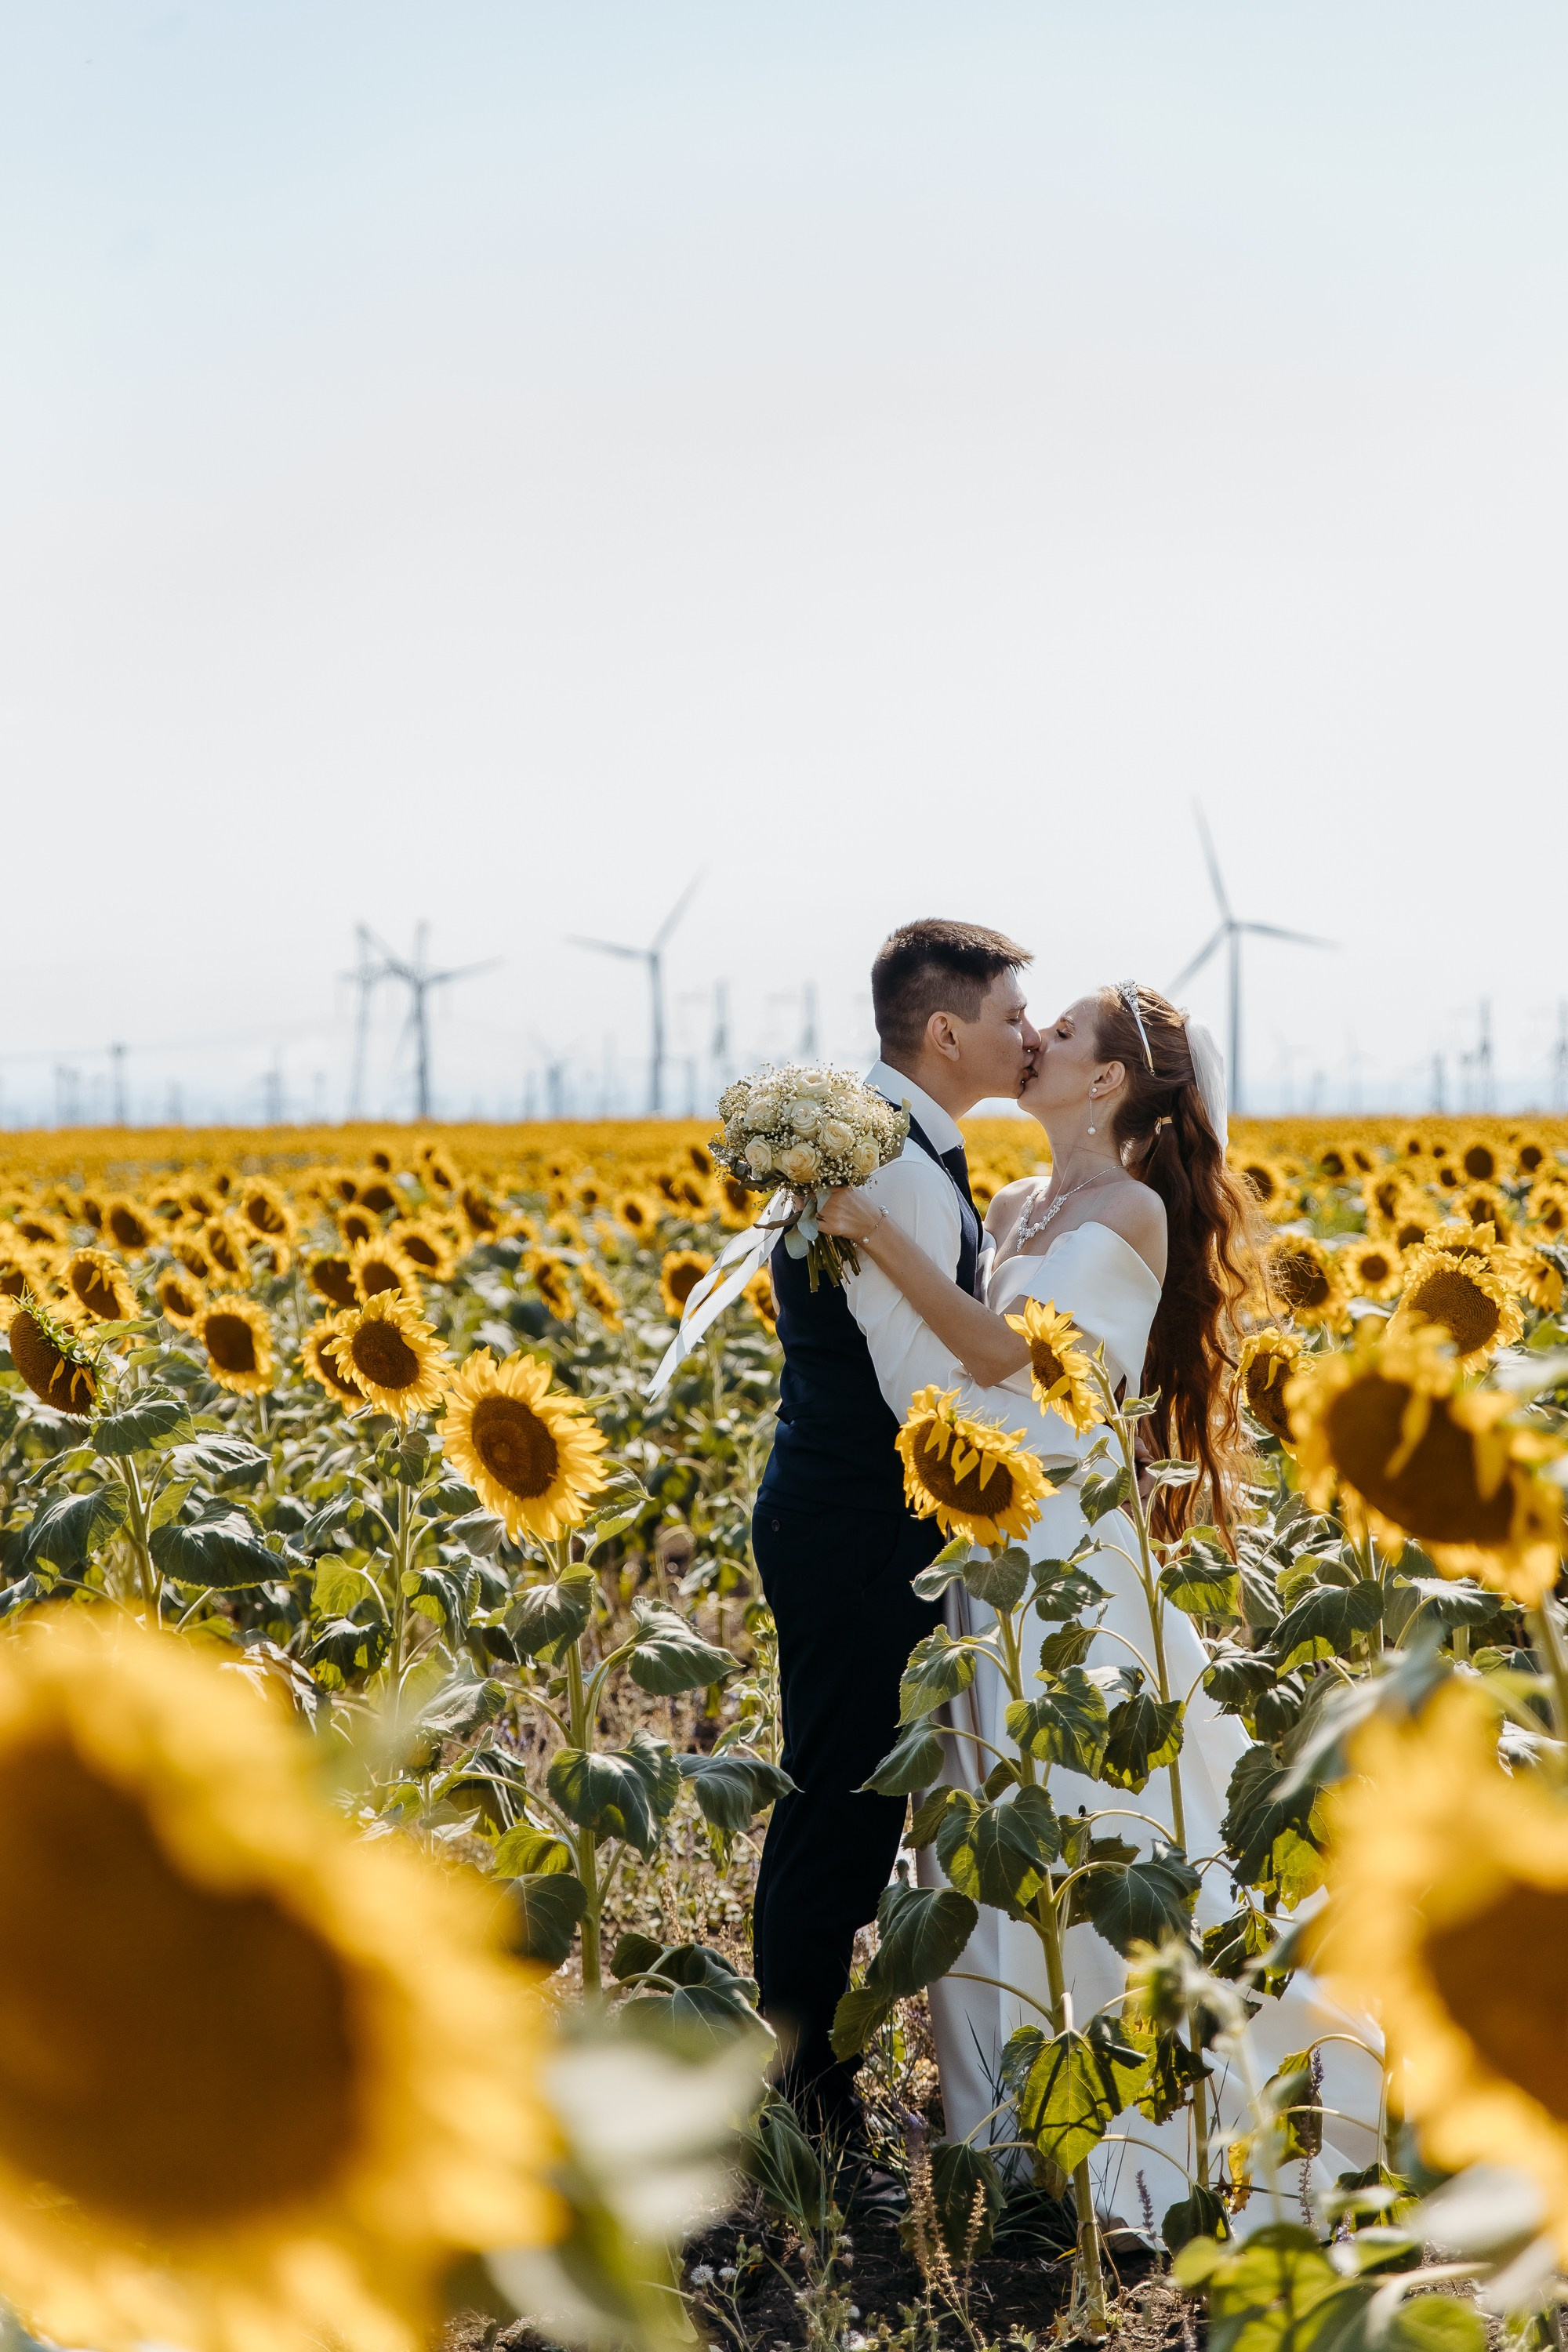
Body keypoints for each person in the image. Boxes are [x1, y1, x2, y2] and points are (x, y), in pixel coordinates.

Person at [817, 981, 1381, 2205]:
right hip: (985, 1544)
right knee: (980, 1820)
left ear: (1112, 1078)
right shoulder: (1011, 1201)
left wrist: (871, 1229)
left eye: (1062, 1031)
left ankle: (1140, 2140)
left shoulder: (1131, 1209)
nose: (1034, 1041)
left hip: (1071, 1559)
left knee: (1092, 1814)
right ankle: (1015, 2136)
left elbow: (1004, 1354)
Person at [750, 918, 1038, 2165]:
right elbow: (927, 1393)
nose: (1029, 1036)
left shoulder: (874, 1146)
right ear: (947, 1032)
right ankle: (806, 2102)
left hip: (830, 1506)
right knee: (845, 1809)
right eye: (1012, 1017)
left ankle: (797, 2081)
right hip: (864, 1520)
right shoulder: (900, 1173)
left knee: (834, 1793)